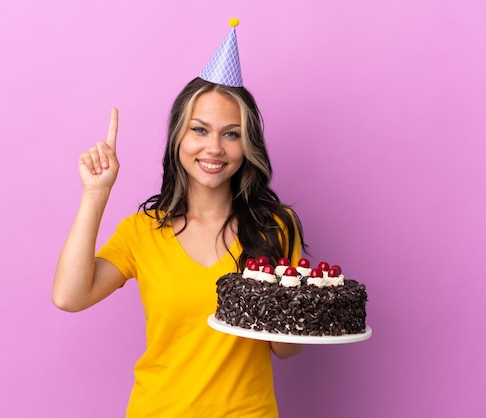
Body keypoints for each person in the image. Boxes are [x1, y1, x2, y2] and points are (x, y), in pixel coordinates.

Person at [53, 20, 307, 417]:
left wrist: (288, 301)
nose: (213, 148)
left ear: (248, 144)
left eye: (231, 134)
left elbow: (286, 349)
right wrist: (95, 194)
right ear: (178, 138)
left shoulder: (276, 226)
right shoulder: (143, 231)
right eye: (200, 130)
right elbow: (69, 297)